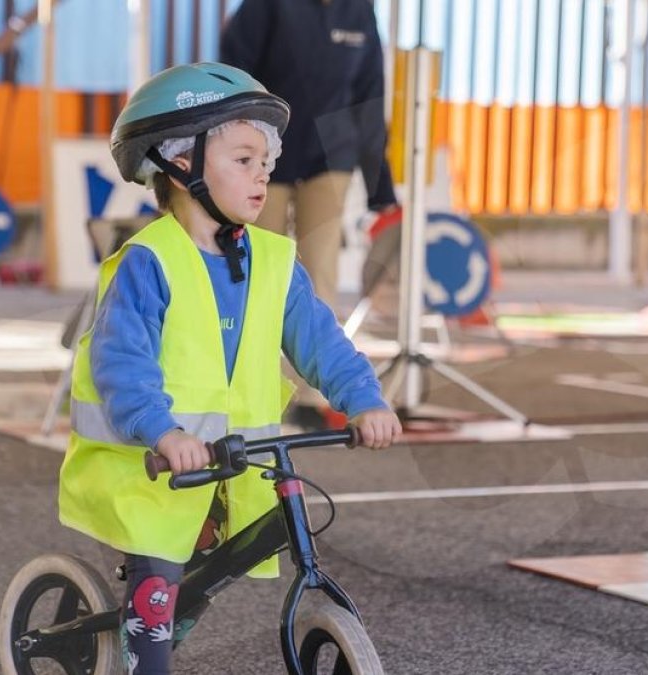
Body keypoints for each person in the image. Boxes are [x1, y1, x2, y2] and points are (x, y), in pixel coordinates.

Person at [57, 62, 402, 674]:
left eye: (266, 164)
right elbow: (122, 360)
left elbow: (320, 341)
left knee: (204, 583)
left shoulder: (274, 260)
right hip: (157, 464)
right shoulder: (149, 262)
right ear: (180, 162)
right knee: (158, 593)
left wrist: (363, 399)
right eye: (243, 160)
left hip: (238, 460)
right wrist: (161, 430)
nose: (262, 176)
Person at [221, 0, 401, 308]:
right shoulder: (266, 7)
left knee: (319, 269)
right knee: (260, 263)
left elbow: (369, 97)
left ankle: (317, 355)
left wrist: (379, 184)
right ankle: (258, 353)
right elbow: (234, 74)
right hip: (265, 153)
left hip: (332, 155)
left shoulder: (359, 10)